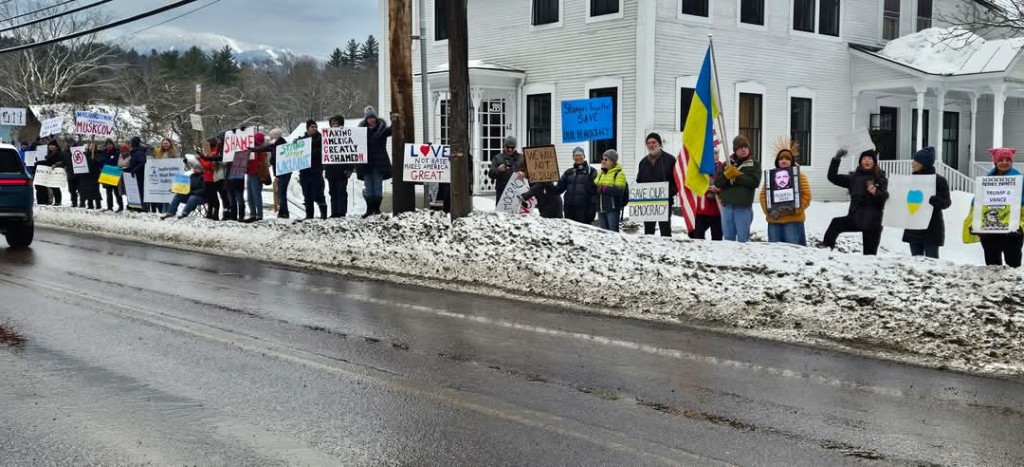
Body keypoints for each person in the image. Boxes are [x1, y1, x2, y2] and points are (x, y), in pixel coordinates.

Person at [963, 147, 1024, 267]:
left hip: (1012, 231)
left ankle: (1011, 287)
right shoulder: (986, 182)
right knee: (992, 265)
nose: (1005, 162)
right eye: (1001, 160)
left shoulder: (1021, 181)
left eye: (1008, 160)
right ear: (995, 162)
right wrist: (975, 224)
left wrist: (1021, 226)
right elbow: (977, 205)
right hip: (990, 231)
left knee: (1013, 264)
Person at [822, 148, 889, 255]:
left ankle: (868, 270)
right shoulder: (853, 178)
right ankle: (826, 248)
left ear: (874, 162)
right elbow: (832, 177)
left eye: (869, 159)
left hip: (873, 223)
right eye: (864, 159)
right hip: (855, 219)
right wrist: (836, 159)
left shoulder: (880, 178)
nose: (867, 161)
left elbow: (884, 198)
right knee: (836, 223)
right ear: (860, 162)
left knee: (869, 256)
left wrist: (875, 192)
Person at [759, 140, 812, 246]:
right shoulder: (771, 177)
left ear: (791, 161)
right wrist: (769, 211)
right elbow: (763, 196)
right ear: (777, 161)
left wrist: (795, 209)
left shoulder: (800, 176)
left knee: (793, 250)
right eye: (781, 159)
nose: (784, 161)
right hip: (775, 220)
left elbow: (807, 195)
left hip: (793, 220)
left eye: (787, 159)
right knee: (775, 251)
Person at [901, 147, 951, 259]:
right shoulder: (910, 180)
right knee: (916, 262)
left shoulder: (939, 181)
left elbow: (947, 202)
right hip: (914, 228)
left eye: (916, 161)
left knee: (932, 262)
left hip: (932, 229)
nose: (912, 164)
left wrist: (936, 200)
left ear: (924, 164)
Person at [714, 135, 761, 243]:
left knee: (742, 239)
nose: (744, 149)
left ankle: (743, 259)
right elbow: (718, 183)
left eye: (746, 147)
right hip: (727, 207)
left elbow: (754, 182)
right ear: (735, 150)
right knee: (728, 238)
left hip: (743, 207)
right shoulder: (727, 163)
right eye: (740, 147)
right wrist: (726, 175)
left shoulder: (754, 164)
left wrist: (737, 176)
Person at [636, 132, 678, 237]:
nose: (651, 145)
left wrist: (669, 193)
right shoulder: (643, 162)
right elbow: (639, 181)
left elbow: (677, 181)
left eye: (654, 142)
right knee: (648, 232)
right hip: (648, 203)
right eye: (649, 143)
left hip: (664, 202)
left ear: (659, 143)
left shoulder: (670, 160)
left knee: (665, 231)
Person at [357, 107, 393, 218]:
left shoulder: (382, 130)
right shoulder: (360, 132)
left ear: (375, 118)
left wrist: (394, 120)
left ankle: (376, 209)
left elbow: (392, 130)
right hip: (366, 164)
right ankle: (369, 209)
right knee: (368, 187)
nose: (371, 120)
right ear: (366, 120)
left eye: (373, 118)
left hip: (379, 163)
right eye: (369, 118)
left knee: (377, 186)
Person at [251, 128, 289, 219]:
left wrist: (272, 160)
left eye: (271, 136)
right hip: (280, 171)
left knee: (281, 192)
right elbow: (264, 148)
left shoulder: (280, 145)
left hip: (283, 172)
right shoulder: (276, 144)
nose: (270, 138)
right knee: (281, 192)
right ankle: (283, 212)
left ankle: (284, 213)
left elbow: (278, 158)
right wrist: (253, 149)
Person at [554, 147, 597, 224]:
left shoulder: (591, 171)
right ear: (573, 157)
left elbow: (595, 191)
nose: (578, 157)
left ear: (584, 156)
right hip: (569, 208)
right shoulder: (568, 172)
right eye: (575, 155)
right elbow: (558, 189)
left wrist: (593, 209)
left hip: (585, 209)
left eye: (580, 155)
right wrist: (547, 184)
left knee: (584, 232)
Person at [297, 120, 328, 220]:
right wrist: (295, 145)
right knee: (307, 194)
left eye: (315, 127)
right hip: (304, 171)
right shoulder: (301, 140)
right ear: (307, 128)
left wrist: (308, 151)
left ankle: (324, 215)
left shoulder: (321, 139)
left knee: (318, 193)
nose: (314, 128)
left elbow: (322, 152)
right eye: (312, 127)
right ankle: (309, 215)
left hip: (316, 170)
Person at [324, 115, 353, 218]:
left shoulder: (347, 136)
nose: (334, 125)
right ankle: (334, 212)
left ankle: (342, 212)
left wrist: (350, 169)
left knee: (341, 192)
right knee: (332, 192)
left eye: (336, 123)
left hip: (342, 171)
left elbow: (352, 152)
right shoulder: (326, 137)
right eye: (332, 124)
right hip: (331, 171)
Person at [689, 160, 724, 241]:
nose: (715, 155)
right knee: (697, 237)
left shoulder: (722, 167)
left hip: (716, 211)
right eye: (713, 153)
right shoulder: (699, 167)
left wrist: (719, 189)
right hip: (701, 210)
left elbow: (728, 185)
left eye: (716, 153)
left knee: (717, 239)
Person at [595, 149, 627, 232]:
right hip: (601, 208)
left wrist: (604, 189)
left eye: (606, 159)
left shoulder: (619, 174)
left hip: (612, 209)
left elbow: (619, 191)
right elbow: (595, 186)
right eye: (602, 159)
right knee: (604, 234)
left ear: (612, 161)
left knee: (613, 233)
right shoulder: (601, 173)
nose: (603, 161)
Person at [488, 136, 524, 205]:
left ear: (515, 147)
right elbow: (490, 174)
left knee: (517, 214)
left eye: (512, 147)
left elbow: (530, 172)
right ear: (504, 146)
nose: (510, 149)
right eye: (507, 147)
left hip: (518, 190)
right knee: (501, 213)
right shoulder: (497, 158)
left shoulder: (522, 158)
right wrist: (498, 170)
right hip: (502, 191)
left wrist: (524, 173)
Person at [243, 132, 267, 222]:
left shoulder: (260, 150)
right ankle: (253, 214)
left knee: (256, 195)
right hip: (250, 172)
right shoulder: (253, 149)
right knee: (250, 195)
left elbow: (260, 161)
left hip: (256, 173)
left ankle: (259, 215)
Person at [199, 136, 223, 220]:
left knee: (214, 197)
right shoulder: (208, 152)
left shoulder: (214, 153)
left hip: (212, 178)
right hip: (207, 177)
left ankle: (215, 213)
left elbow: (208, 165)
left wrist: (200, 159)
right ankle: (209, 212)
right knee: (209, 197)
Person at [99, 139, 124, 212]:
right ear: (105, 145)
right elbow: (101, 162)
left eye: (110, 144)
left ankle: (120, 206)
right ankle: (110, 207)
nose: (109, 146)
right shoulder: (103, 153)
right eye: (107, 144)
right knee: (108, 192)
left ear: (113, 145)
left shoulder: (116, 152)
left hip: (115, 172)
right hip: (106, 172)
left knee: (116, 191)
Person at [126, 136, 148, 212]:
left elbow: (142, 162)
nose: (129, 144)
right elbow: (134, 163)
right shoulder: (134, 151)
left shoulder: (139, 152)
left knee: (141, 191)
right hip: (135, 174)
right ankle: (136, 206)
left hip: (140, 175)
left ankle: (143, 207)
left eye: (130, 142)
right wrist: (127, 169)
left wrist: (134, 170)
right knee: (136, 191)